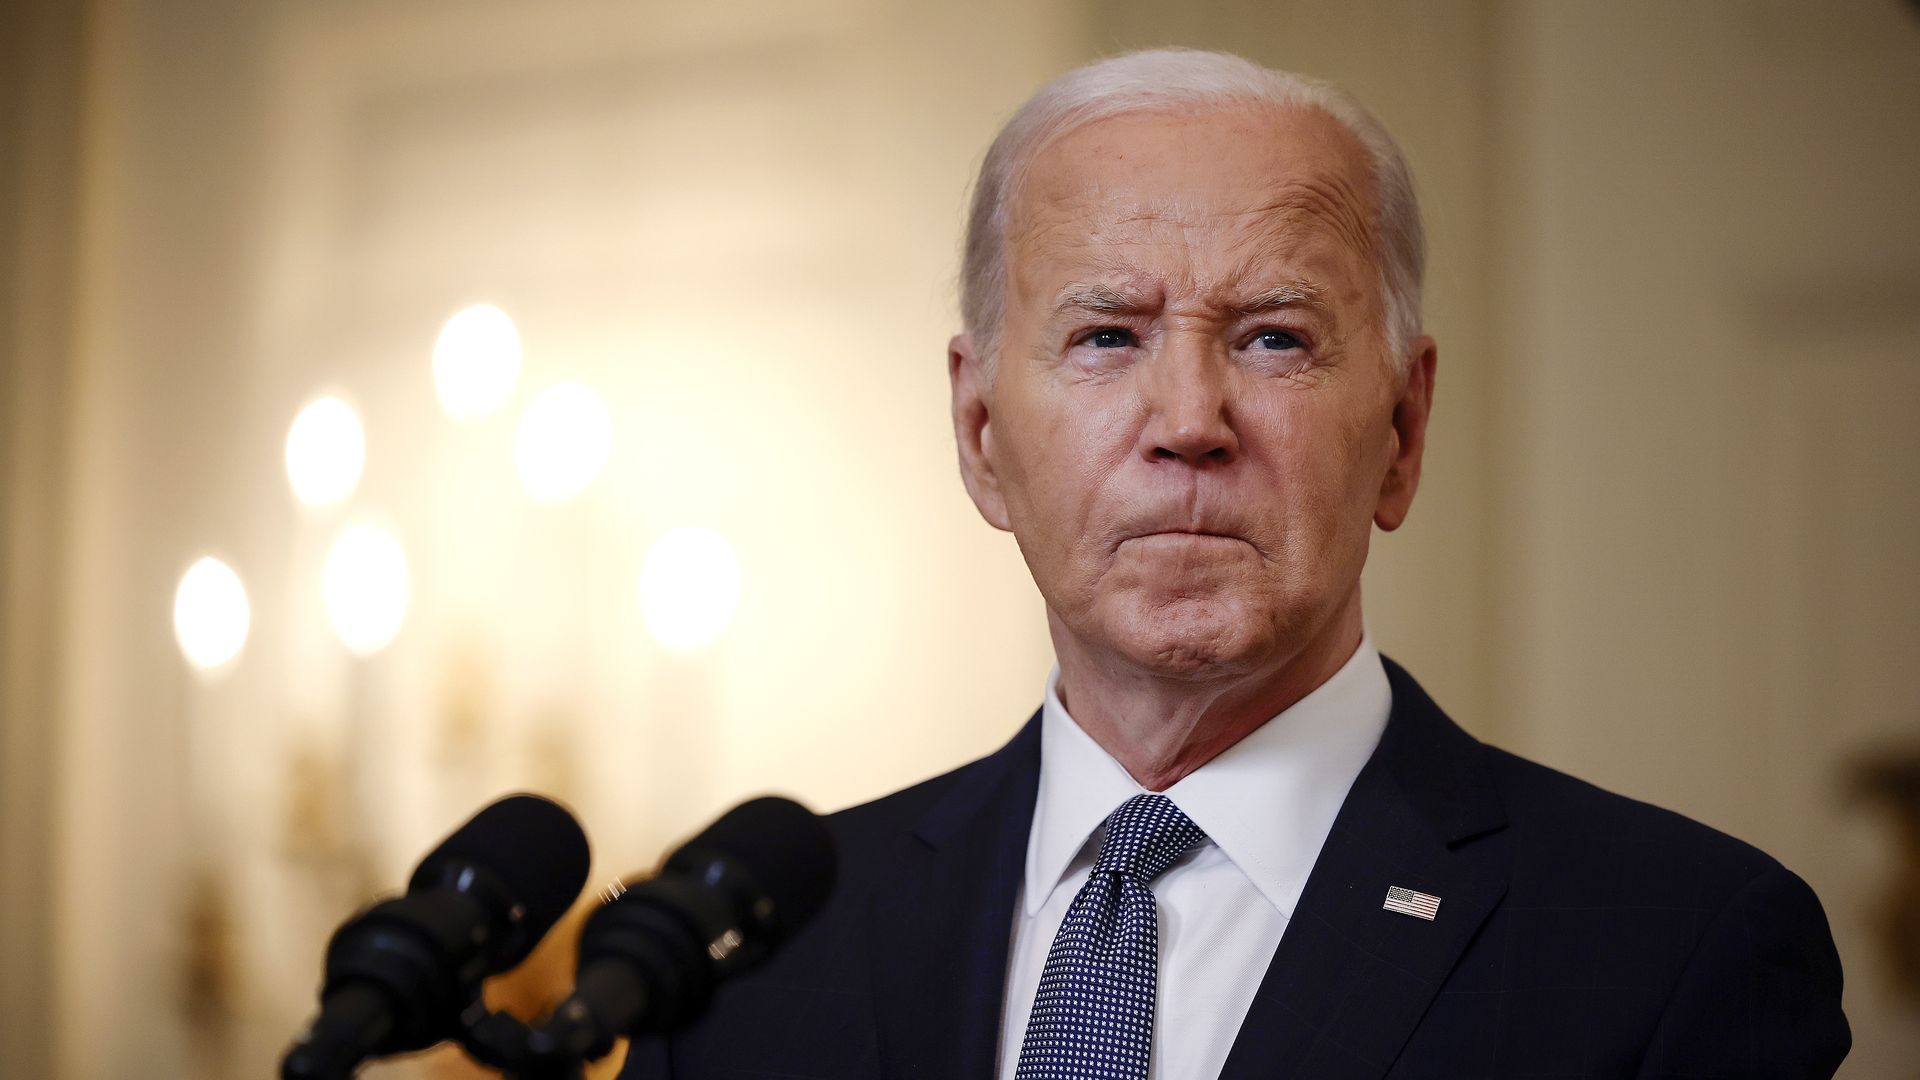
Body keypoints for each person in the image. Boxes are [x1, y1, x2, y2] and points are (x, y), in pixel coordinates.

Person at [621, 48, 1848, 1078]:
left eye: (1273, 337)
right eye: (1107, 335)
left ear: (1403, 434)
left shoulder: (1676, 950)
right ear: (980, 434)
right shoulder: (749, 960)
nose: (1190, 419)